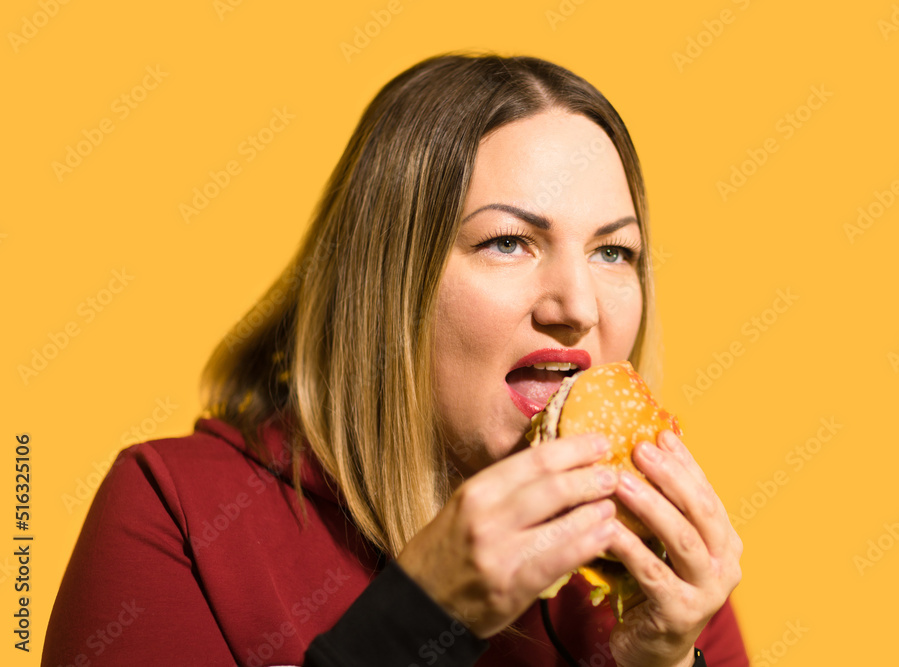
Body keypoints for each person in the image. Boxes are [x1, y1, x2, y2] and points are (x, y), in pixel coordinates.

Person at [42, 52, 748, 666]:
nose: (578, 305)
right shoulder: (178, 514)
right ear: (386, 284)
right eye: (507, 240)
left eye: (613, 252)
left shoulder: (665, 573)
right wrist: (417, 622)